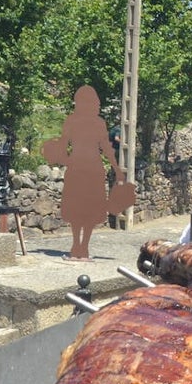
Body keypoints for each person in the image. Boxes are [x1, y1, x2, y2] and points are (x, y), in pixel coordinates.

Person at [46, 86, 124, 260]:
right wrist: (117, 169)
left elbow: (63, 144)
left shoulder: (73, 121)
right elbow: (106, 148)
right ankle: (82, 247)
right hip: (92, 168)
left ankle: (78, 247)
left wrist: (64, 159)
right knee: (87, 207)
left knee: (79, 207)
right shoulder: (97, 122)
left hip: (79, 168)